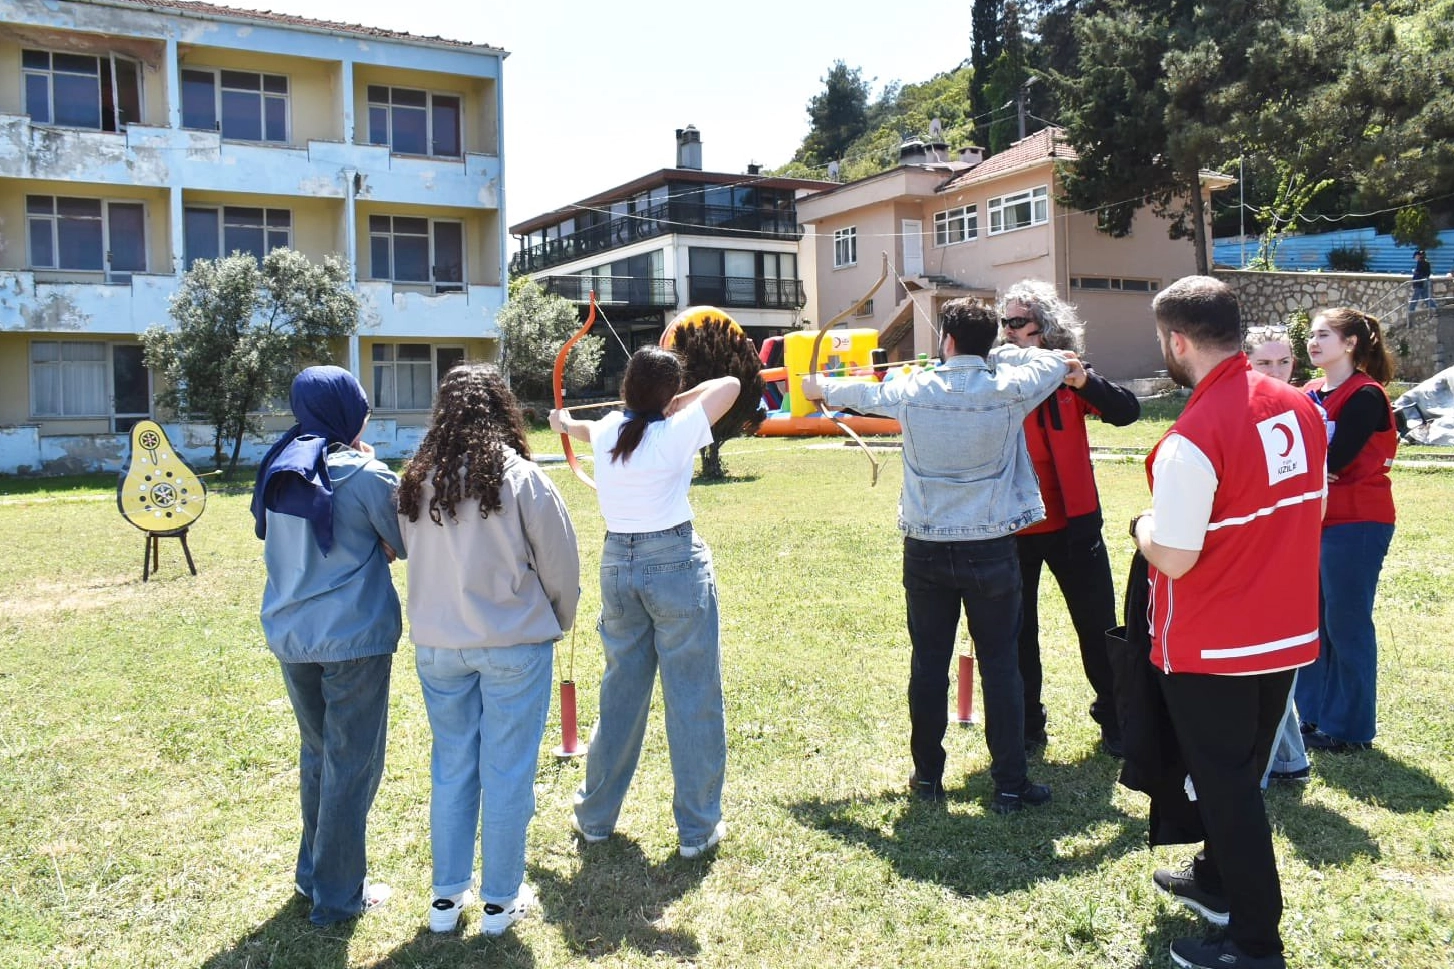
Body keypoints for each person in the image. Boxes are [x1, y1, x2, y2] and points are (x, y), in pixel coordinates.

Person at [802, 298, 1075, 814]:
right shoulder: (1010, 385)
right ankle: (1010, 787)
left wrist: (819, 387)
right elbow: (1053, 362)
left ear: (946, 341)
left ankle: (928, 778)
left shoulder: (911, 388)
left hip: (927, 547)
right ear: (985, 341)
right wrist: (1002, 356)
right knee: (1000, 666)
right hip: (991, 548)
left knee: (929, 662)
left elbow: (857, 392)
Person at [1132, 277, 1326, 969]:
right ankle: (1216, 880)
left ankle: (1253, 942)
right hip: (1286, 629)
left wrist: (1140, 527)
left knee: (1228, 785)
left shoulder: (1194, 435)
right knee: (1238, 770)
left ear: (1177, 342)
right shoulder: (1300, 407)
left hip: (1216, 641)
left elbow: (1176, 558)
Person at [397, 364, 580, 936]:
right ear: (502, 407)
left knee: (451, 768)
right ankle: (500, 902)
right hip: (513, 645)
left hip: (439, 646)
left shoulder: (414, 479)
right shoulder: (522, 477)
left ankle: (446, 900)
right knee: (507, 772)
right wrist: (556, 620)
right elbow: (562, 566)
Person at [550, 348, 739, 858]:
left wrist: (562, 421)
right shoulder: (673, 430)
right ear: (667, 394)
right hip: (673, 562)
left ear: (625, 387)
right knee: (693, 696)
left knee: (620, 695)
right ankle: (697, 831)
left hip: (618, 565)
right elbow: (731, 385)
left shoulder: (611, 426)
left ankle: (594, 818)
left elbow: (583, 428)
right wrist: (679, 401)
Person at [251, 365, 404, 926]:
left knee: (318, 755)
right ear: (349, 410)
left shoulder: (277, 465)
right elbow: (404, 539)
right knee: (352, 765)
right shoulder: (365, 474)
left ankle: (312, 876)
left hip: (292, 635)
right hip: (354, 639)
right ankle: (338, 897)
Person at [997, 280, 1140, 757]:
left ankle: (1116, 721)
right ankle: (1026, 723)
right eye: (1004, 324)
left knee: (1098, 625)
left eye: (1018, 323)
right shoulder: (996, 376)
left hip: (1074, 525)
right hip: (1014, 526)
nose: (1009, 332)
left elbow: (1126, 412)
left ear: (1046, 327)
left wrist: (1085, 381)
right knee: (1017, 630)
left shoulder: (1070, 373)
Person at [1295, 307, 1398, 752]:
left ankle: (1350, 728)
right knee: (1312, 621)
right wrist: (1314, 468)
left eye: (1323, 335)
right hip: (1314, 520)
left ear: (1351, 343)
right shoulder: (1308, 390)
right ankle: (1312, 716)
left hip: (1357, 522)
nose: (1312, 343)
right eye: (1311, 336)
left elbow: (1336, 460)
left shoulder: (1365, 395)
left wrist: (1315, 466)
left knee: (1346, 623)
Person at [1244, 326, 1313, 785]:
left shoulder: (1301, 408)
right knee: (1267, 663)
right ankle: (1291, 760)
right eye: (1264, 363)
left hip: (1286, 553)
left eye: (1282, 362)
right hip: (1253, 551)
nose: (1275, 372)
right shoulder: (1240, 408)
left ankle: (1260, 774)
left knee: (1268, 665)